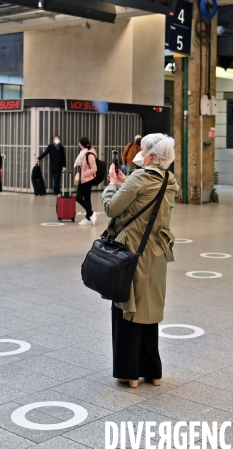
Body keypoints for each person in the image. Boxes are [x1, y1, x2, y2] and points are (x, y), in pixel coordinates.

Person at [102, 134, 178, 388]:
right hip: (157, 254)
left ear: (152, 155)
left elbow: (112, 208)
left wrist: (113, 185)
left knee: (127, 310)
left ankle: (129, 374)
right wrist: (127, 184)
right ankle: (153, 372)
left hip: (132, 254)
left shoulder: (140, 177)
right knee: (149, 312)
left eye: (143, 150)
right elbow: (145, 202)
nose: (140, 153)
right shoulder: (170, 180)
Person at [74, 137, 97, 226]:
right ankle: (88, 217)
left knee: (79, 198)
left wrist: (84, 174)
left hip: (87, 180)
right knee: (86, 199)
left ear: (82, 145)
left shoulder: (89, 154)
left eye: (79, 144)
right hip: (83, 180)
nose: (78, 146)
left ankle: (90, 213)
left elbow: (94, 168)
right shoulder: (84, 153)